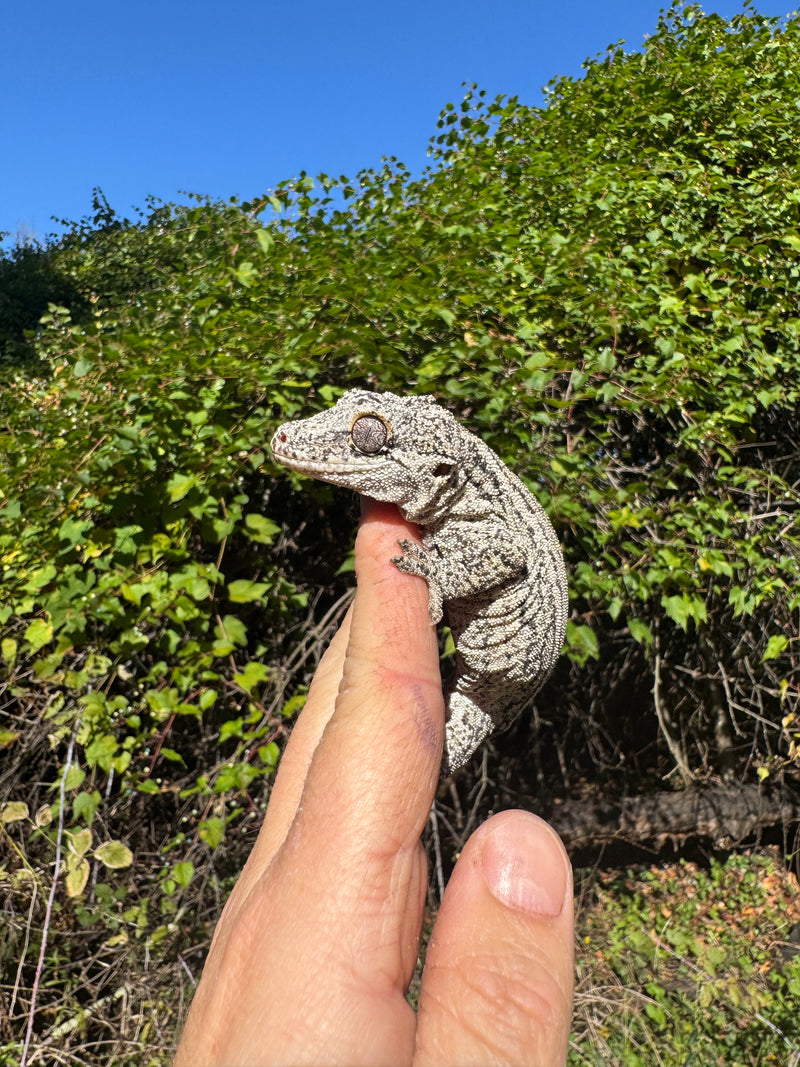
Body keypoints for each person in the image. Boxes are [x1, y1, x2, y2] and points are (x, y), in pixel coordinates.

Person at [174, 499, 574, 1066]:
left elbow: (508, 555)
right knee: (388, 772)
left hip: (497, 679)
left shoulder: (475, 501)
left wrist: (440, 576)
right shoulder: (451, 501)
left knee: (407, 776)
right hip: (478, 664)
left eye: (369, 448)